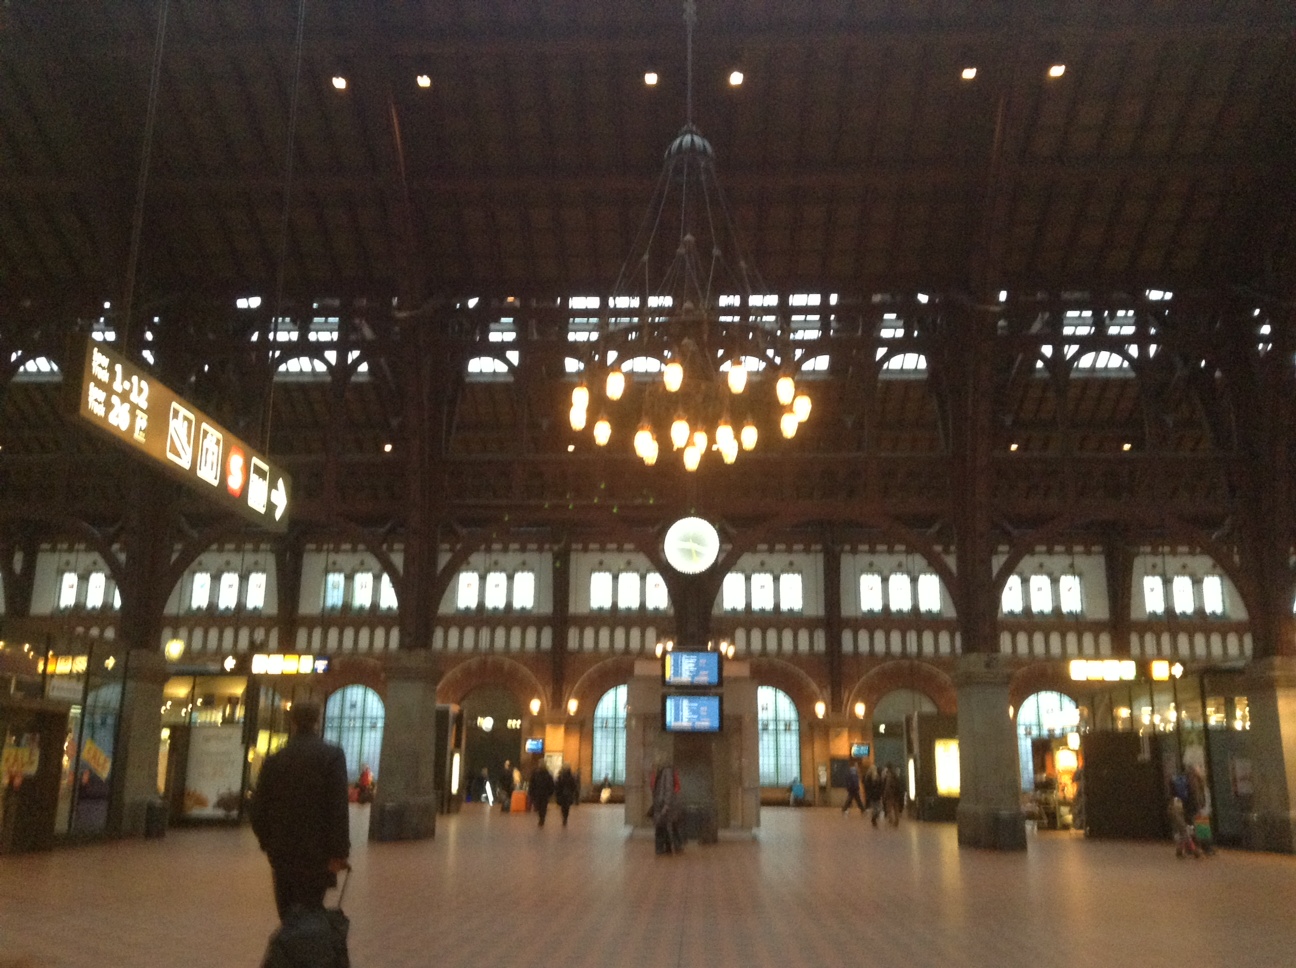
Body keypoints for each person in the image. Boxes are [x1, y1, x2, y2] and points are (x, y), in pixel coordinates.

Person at [250, 701, 350, 921]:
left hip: (283, 851)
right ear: (318, 721)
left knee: (287, 911)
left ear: (292, 722)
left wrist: (268, 842)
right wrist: (339, 852)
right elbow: (338, 808)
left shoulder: (275, 760)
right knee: (311, 911)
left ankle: (290, 942)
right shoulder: (332, 756)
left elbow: (258, 808)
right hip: (318, 852)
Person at [650, 761, 682, 855]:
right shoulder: (662, 772)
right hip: (663, 803)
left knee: (663, 825)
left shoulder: (666, 772)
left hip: (663, 803)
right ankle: (669, 847)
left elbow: (669, 788)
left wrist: (666, 804)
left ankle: (665, 847)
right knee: (666, 825)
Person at [529, 761, 555, 827]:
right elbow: (551, 785)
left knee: (539, 806)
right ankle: (542, 818)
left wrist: (531, 792)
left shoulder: (536, 774)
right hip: (544, 794)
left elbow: (532, 784)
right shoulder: (548, 774)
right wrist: (550, 793)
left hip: (538, 793)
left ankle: (541, 818)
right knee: (543, 807)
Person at [863, 763, 884, 827]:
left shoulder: (869, 778)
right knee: (878, 808)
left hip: (874, 795)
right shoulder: (872, 778)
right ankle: (874, 819)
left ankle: (874, 819)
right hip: (875, 795)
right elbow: (875, 787)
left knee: (876, 808)